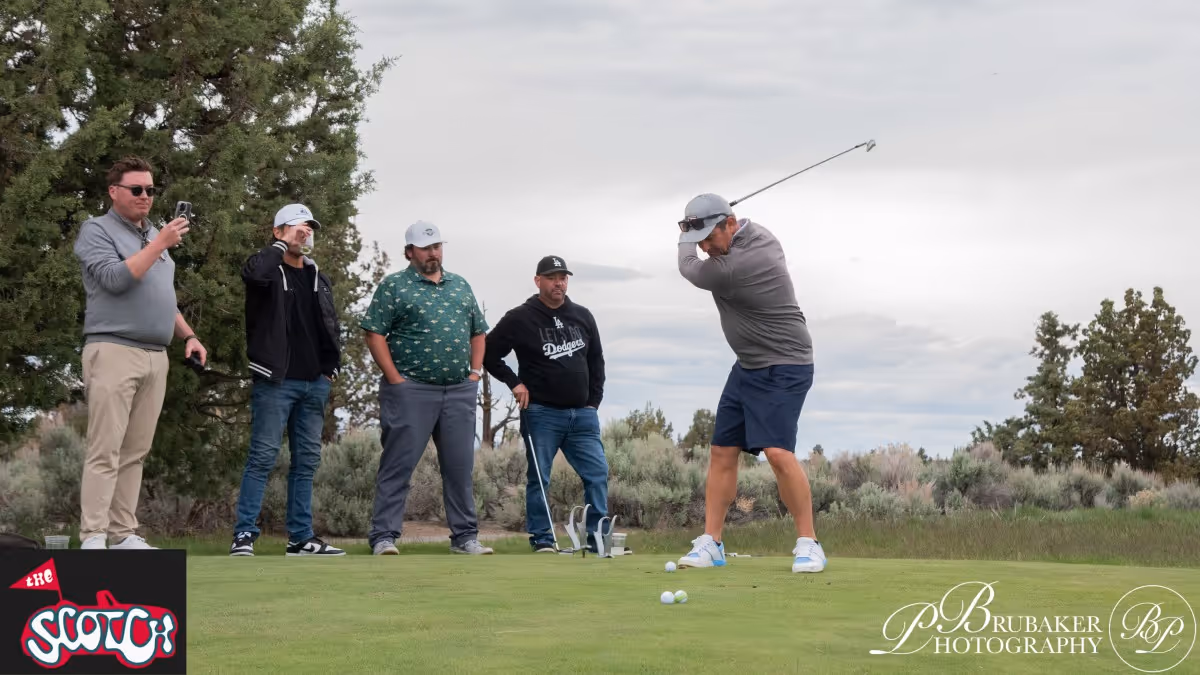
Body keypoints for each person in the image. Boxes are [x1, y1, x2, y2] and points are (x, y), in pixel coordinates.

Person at [674, 193, 826, 573]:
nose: (706, 247)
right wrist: (699, 227)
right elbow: (709, 247)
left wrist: (684, 237)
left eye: (710, 237)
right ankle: (712, 543)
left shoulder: (739, 264)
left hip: (786, 366)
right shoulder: (751, 235)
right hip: (748, 366)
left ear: (731, 223)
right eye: (702, 239)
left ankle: (810, 543)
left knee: (776, 451)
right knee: (722, 451)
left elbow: (689, 268)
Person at [72, 155, 208, 550]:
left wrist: (189, 335)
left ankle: (121, 534)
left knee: (135, 451)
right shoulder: (96, 230)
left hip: (155, 355)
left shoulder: (154, 237)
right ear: (114, 192)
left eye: (150, 189)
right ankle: (94, 535)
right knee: (105, 449)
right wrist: (162, 242)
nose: (145, 196)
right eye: (136, 189)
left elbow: (162, 298)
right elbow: (115, 279)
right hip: (112, 348)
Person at [360, 221, 493, 556]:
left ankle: (465, 537)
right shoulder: (393, 287)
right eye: (425, 248)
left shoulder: (460, 286)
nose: (433, 254)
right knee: (397, 466)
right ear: (410, 252)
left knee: (459, 468)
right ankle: (384, 537)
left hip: (459, 391)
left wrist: (475, 374)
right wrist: (394, 379)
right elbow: (374, 333)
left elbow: (479, 332)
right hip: (411, 390)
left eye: (437, 247)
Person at [229, 204, 345, 557]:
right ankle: (244, 535)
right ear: (278, 232)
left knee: (306, 462)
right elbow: (254, 273)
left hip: (314, 384)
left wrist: (329, 369)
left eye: (309, 228)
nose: (305, 232)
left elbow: (330, 324)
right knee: (262, 457)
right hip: (276, 382)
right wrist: (282, 245)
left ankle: (301, 538)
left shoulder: (317, 277)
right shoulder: (266, 269)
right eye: (297, 227)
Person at [483, 255, 608, 553]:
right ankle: (543, 538)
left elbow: (596, 361)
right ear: (538, 281)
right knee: (540, 478)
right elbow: (488, 353)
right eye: (552, 277)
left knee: (597, 474)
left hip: (583, 415)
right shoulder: (520, 317)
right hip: (541, 413)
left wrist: (593, 402)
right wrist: (514, 382)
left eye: (563, 277)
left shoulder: (582, 315)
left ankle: (598, 539)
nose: (559, 283)